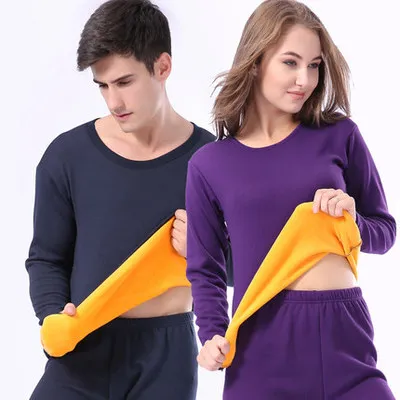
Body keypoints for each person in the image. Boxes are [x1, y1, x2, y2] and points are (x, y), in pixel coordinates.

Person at [185, 1, 397, 399]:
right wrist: (211, 332)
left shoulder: (340, 135)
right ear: (255, 62)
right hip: (260, 345)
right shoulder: (209, 164)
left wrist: (352, 220)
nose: (305, 79)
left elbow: (385, 233)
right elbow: (205, 267)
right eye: (290, 63)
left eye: (314, 65)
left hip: (344, 336)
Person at [25, 1, 224, 399]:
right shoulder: (67, 156)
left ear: (162, 67)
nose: (113, 102)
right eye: (103, 86)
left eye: (124, 82)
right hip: (81, 347)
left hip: (166, 358)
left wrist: (203, 250)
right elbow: (46, 258)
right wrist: (51, 315)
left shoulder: (211, 161)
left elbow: (247, 267)